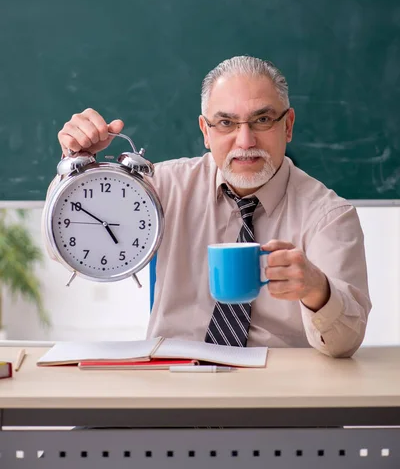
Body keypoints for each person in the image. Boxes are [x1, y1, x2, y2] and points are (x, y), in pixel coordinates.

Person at [53, 56, 371, 357]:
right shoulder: (161, 188)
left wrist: (317, 290)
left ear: (287, 125)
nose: (245, 141)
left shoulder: (330, 216)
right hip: (173, 390)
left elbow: (345, 344)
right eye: (226, 122)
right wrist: (79, 168)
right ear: (205, 131)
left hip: (279, 396)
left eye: (261, 120)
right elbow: (65, 245)